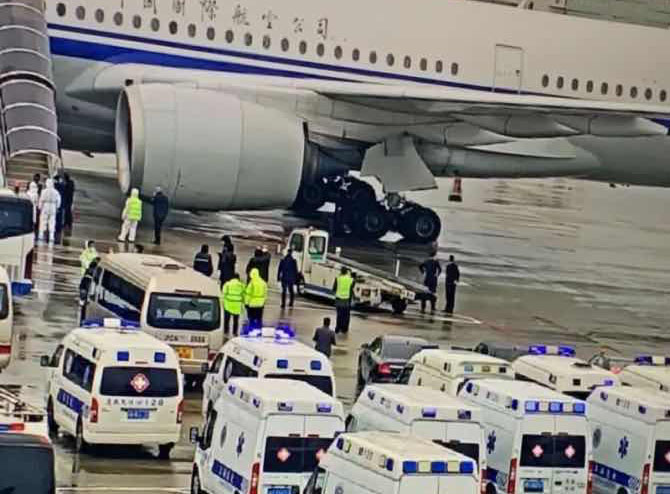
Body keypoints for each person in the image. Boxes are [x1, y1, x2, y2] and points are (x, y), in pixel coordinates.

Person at [38, 178, 61, 244]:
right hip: (53, 207)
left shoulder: (44, 191)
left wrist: (40, 207)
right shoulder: (56, 192)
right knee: (52, 222)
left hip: (45, 206)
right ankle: (51, 236)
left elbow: (41, 200)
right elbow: (59, 200)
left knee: (43, 221)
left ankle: (41, 235)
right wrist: (57, 207)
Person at [332, 267, 354, 334]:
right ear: (347, 272)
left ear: (341, 271)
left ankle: (337, 328)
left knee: (339, 315)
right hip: (346, 299)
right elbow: (351, 287)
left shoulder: (338, 279)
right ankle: (344, 329)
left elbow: (334, 289)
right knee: (345, 315)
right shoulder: (350, 279)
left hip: (339, 299)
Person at [78, 257, 99, 322]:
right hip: (88, 298)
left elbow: (82, 287)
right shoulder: (90, 274)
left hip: (89, 298)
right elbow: (83, 288)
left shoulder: (89, 273)